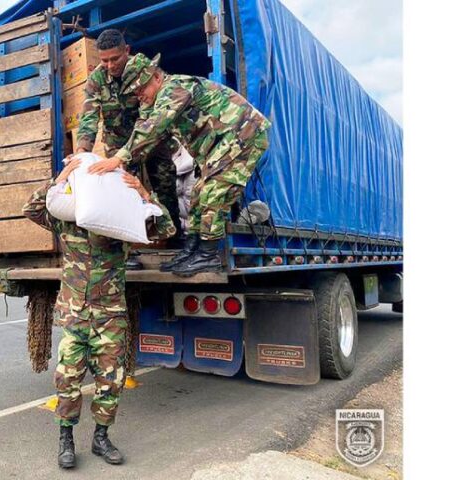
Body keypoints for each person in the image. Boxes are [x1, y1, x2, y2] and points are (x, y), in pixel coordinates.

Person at [22, 158, 176, 469]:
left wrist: (145, 194)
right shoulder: (68, 220)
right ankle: (66, 438)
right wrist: (63, 175)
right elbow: (33, 208)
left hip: (110, 315)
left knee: (111, 380)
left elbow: (166, 228)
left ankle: (101, 437)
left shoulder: (117, 222)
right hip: (76, 315)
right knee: (68, 379)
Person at [89, 54, 271, 276]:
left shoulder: (174, 88)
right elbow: (144, 130)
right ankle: (192, 250)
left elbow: (154, 127)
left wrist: (119, 158)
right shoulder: (153, 101)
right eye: (134, 93)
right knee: (197, 195)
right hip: (220, 145)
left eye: (141, 89)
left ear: (156, 77)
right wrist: (125, 167)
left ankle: (208, 256)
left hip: (244, 133)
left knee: (212, 194)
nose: (139, 96)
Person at [74, 29, 182, 268]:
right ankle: (128, 250)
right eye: (104, 60)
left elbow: (148, 118)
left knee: (164, 182)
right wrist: (82, 150)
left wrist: (128, 152)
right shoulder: (97, 80)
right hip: (117, 142)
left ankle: (173, 240)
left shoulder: (142, 70)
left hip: (151, 137)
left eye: (115, 59)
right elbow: (89, 117)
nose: (110, 65)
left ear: (127, 51)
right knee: (121, 190)